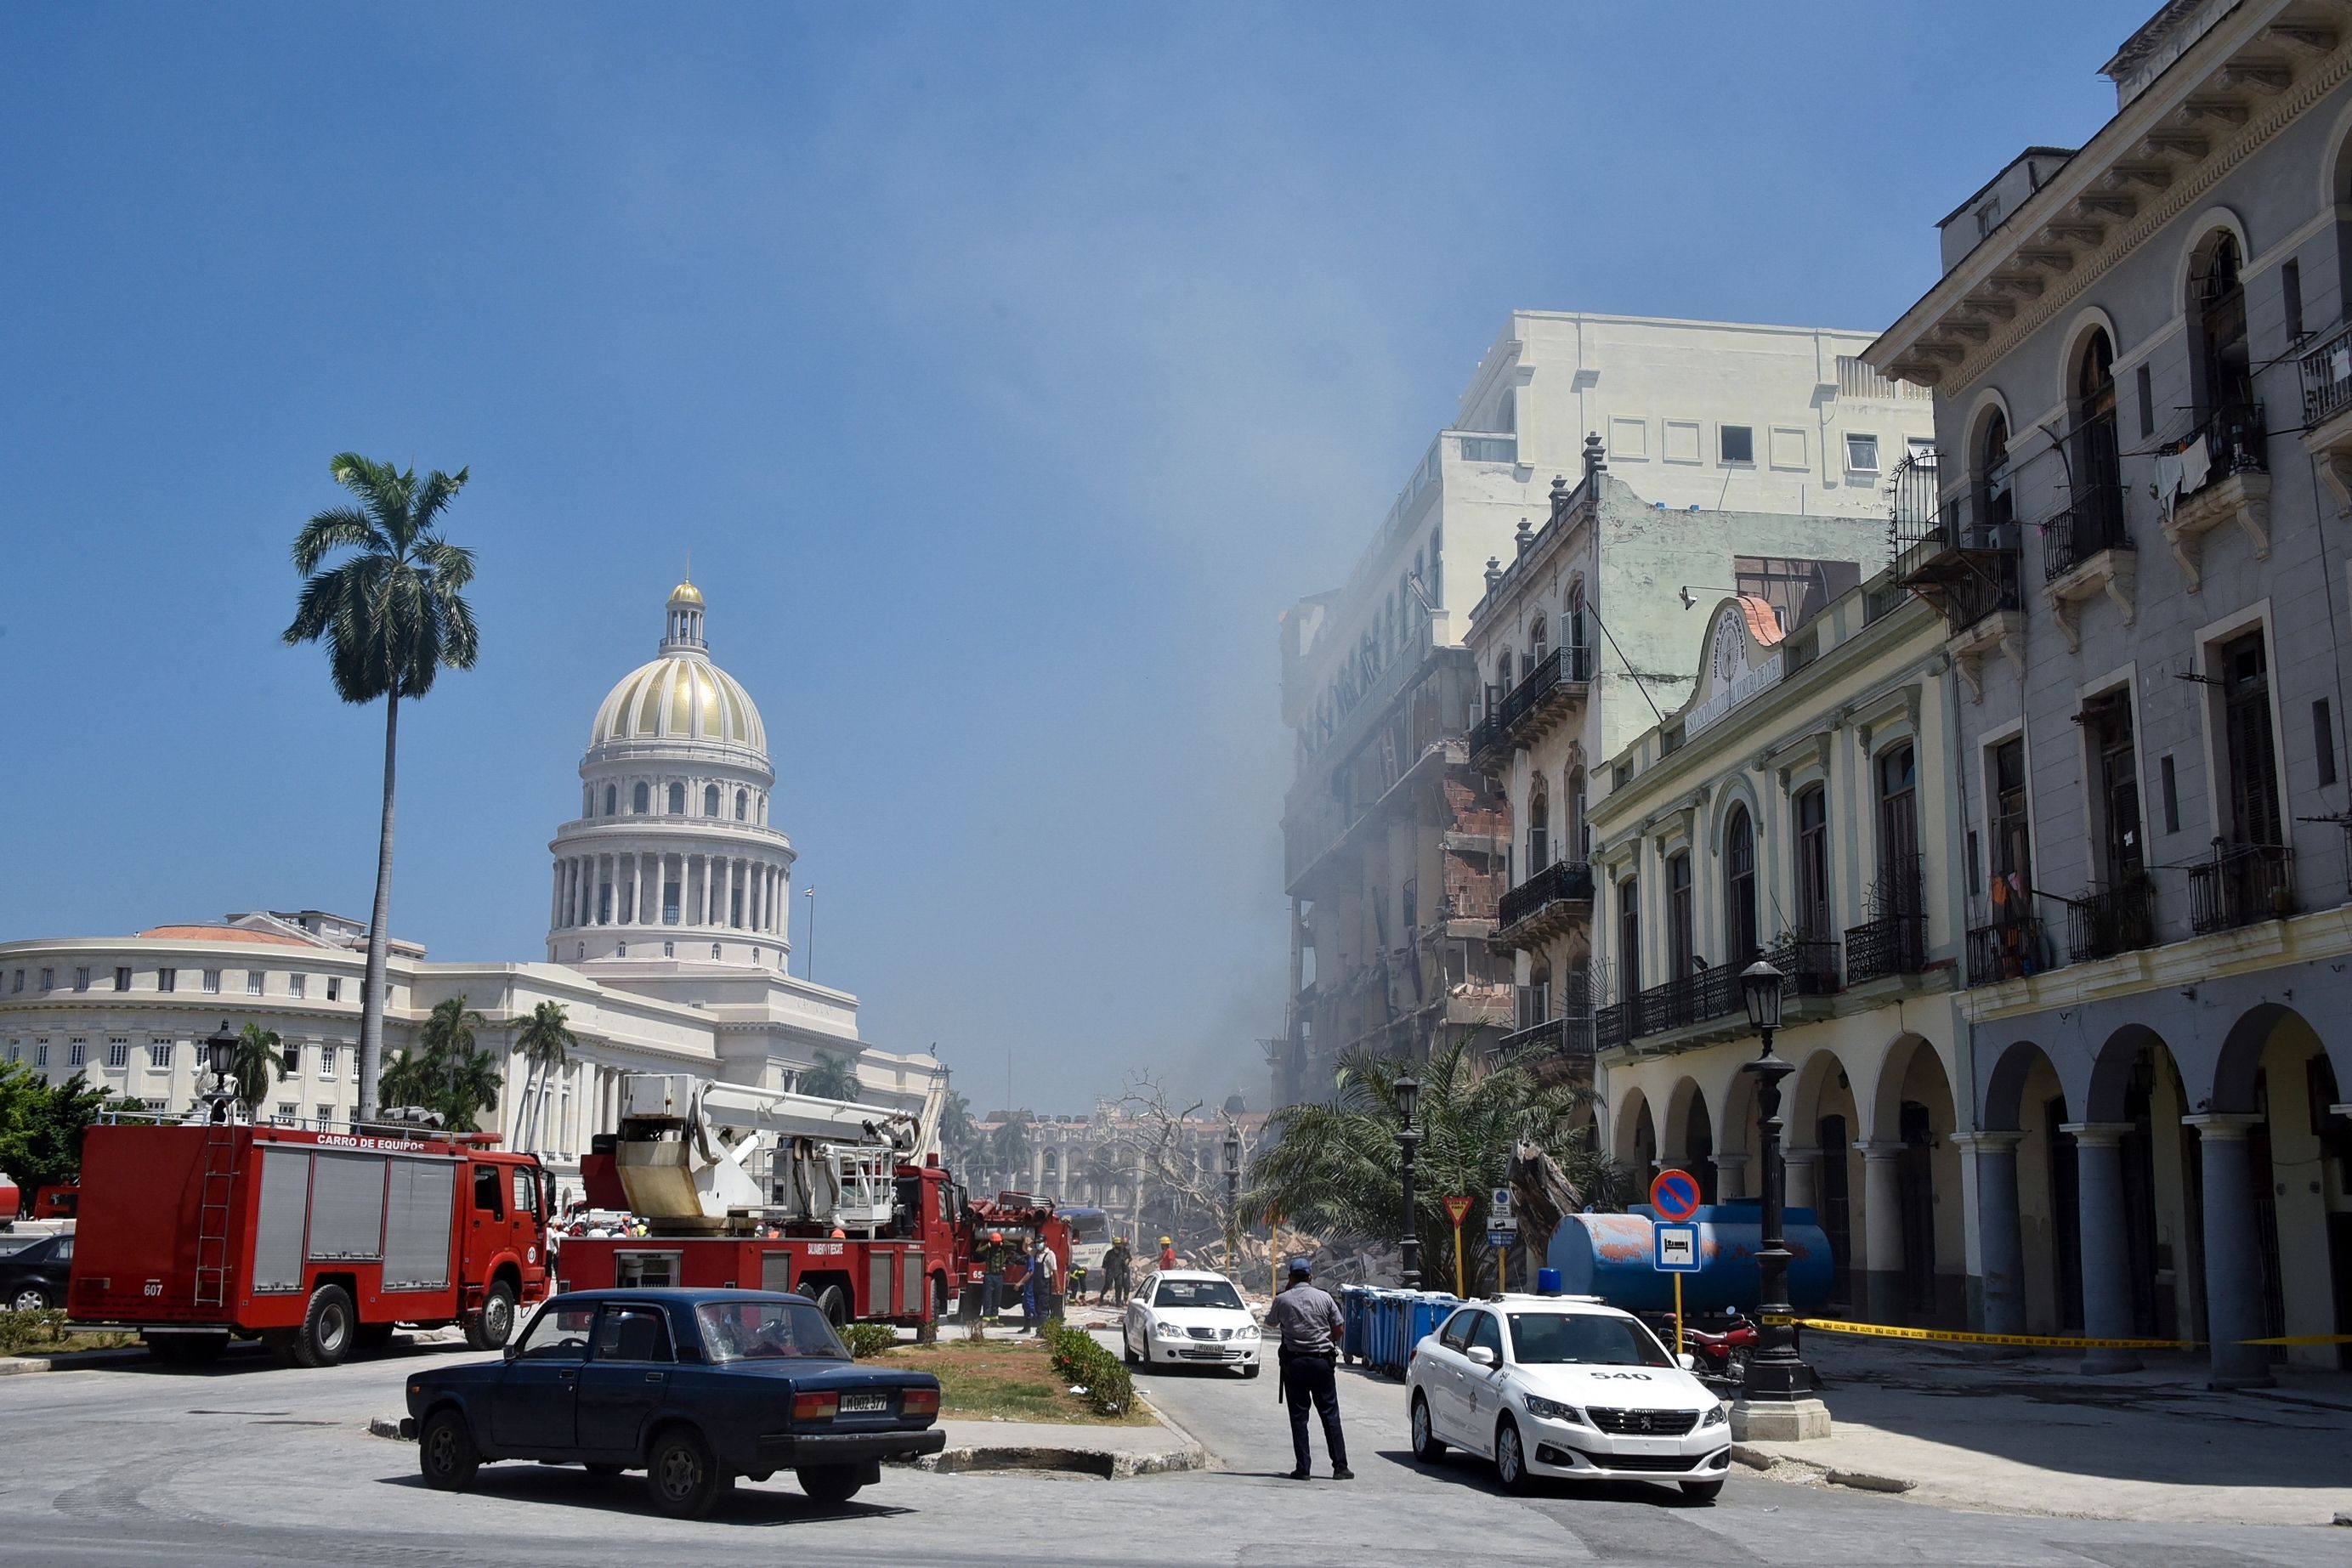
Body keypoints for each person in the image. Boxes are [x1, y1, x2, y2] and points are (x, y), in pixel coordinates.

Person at [1264, 1257, 1350, 1480]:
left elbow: (1270, 1322)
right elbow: (1339, 1327)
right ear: (1310, 1277)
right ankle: (1340, 1467)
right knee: (1330, 1414)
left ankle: (1303, 1468)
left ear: (1290, 1278)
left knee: (1299, 1417)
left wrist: (1285, 1294)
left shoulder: (1283, 1299)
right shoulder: (1324, 1298)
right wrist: (1329, 1341)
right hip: (1322, 1363)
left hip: (1295, 1364)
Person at [1100, 1237, 1131, 1305]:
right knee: (1108, 1284)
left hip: (1119, 1271)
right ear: (1114, 1244)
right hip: (1110, 1271)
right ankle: (1101, 1296)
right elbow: (1105, 1262)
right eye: (1116, 1244)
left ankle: (1118, 1302)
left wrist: (1125, 1270)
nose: (1118, 1245)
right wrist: (1103, 1270)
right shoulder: (1109, 1253)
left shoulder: (1123, 1253)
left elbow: (1127, 1261)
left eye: (1119, 1244)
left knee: (1119, 1286)